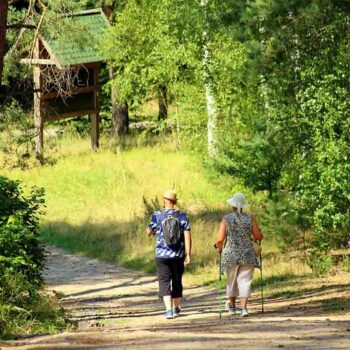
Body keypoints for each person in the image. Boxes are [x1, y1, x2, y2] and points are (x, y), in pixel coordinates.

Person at [216, 192, 263, 317]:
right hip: (247, 253)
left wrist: (219, 248)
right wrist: (260, 234)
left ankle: (232, 307)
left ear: (232, 205)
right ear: (242, 206)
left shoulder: (226, 219)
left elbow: (220, 239)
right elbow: (258, 236)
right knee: (245, 281)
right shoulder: (250, 218)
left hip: (230, 254)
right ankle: (243, 309)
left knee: (231, 281)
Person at [147, 189, 192, 319]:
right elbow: (188, 236)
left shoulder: (157, 215)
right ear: (174, 202)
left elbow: (150, 231)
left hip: (162, 255)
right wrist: (188, 254)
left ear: (164, 201)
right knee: (177, 281)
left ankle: (168, 311)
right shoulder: (182, 216)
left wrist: (152, 232)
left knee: (164, 281)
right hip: (178, 255)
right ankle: (176, 307)